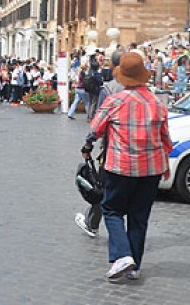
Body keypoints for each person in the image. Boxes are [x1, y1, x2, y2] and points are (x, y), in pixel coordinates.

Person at [83, 52, 172, 282]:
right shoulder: (156, 103)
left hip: (122, 166)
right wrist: (166, 164)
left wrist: (88, 144)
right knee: (139, 217)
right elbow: (165, 138)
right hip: (151, 168)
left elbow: (96, 128)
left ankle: (122, 256)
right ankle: (135, 267)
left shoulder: (116, 101)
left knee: (111, 210)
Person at [75, 50, 125, 239]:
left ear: (112, 66)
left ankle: (92, 224)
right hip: (139, 154)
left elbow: (99, 121)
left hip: (113, 148)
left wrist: (88, 144)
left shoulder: (110, 90)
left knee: (103, 188)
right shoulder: (144, 91)